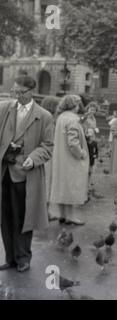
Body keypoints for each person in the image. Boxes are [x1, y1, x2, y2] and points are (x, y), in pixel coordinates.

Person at [0, 75, 54, 272]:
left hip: (26, 175)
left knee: (23, 218)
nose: (17, 95)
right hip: (4, 172)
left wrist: (33, 158)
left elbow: (48, 146)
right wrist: (6, 148)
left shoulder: (44, 116)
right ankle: (10, 258)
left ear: (31, 91)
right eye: (15, 91)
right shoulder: (4, 109)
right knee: (5, 217)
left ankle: (23, 258)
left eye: (21, 92)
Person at [49, 95, 89, 226]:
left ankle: (62, 214)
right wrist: (81, 153)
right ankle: (71, 216)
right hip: (71, 160)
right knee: (72, 187)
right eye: (78, 105)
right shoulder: (73, 120)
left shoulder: (60, 117)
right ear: (75, 105)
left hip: (60, 158)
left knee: (62, 187)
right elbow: (73, 143)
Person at [40, 96, 61, 222]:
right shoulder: (49, 121)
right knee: (46, 184)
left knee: (45, 184)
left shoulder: (45, 119)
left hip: (45, 155)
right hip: (46, 156)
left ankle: (44, 212)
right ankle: (44, 214)